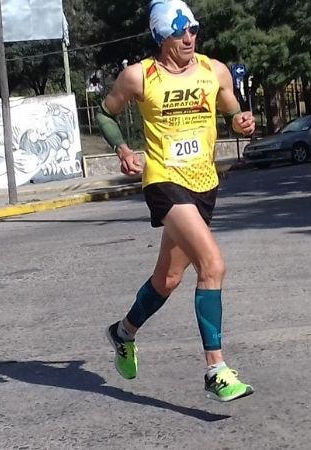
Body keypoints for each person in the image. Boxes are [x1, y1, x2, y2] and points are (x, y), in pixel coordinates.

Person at [95, 0, 256, 402]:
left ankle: (122, 332)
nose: (190, 37)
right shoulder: (139, 77)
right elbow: (105, 113)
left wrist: (240, 119)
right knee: (213, 264)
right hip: (164, 182)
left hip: (204, 184)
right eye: (181, 31)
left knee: (168, 279)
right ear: (162, 37)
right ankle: (215, 369)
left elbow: (231, 105)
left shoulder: (213, 70)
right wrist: (122, 149)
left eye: (194, 30)